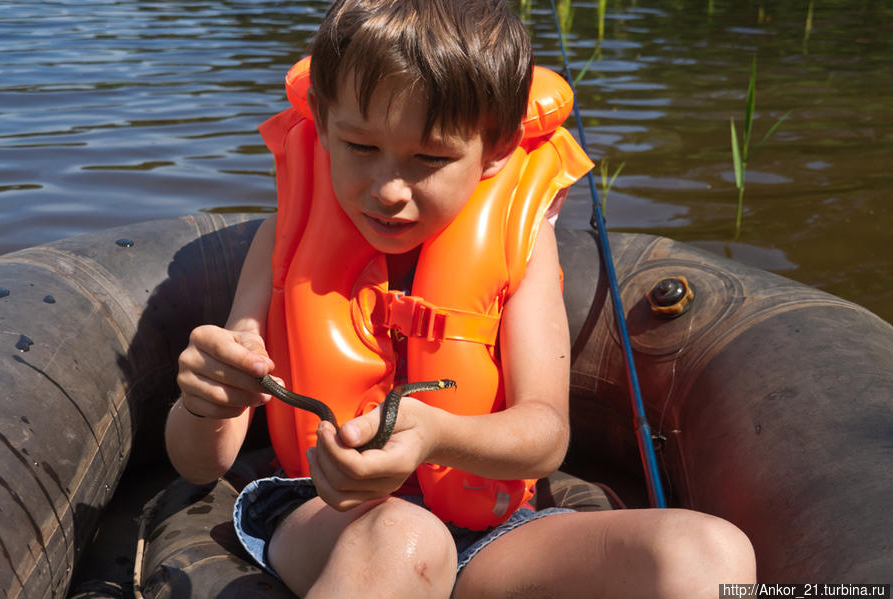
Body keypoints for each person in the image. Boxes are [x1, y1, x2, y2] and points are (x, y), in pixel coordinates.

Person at [165, 0, 756, 597]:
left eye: (430, 159)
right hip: (325, 511)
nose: (389, 190)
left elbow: (545, 435)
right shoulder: (283, 242)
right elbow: (199, 463)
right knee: (407, 540)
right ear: (320, 122)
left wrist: (434, 435)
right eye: (360, 147)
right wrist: (204, 403)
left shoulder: (520, 246)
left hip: (487, 531)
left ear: (496, 149)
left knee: (709, 551)